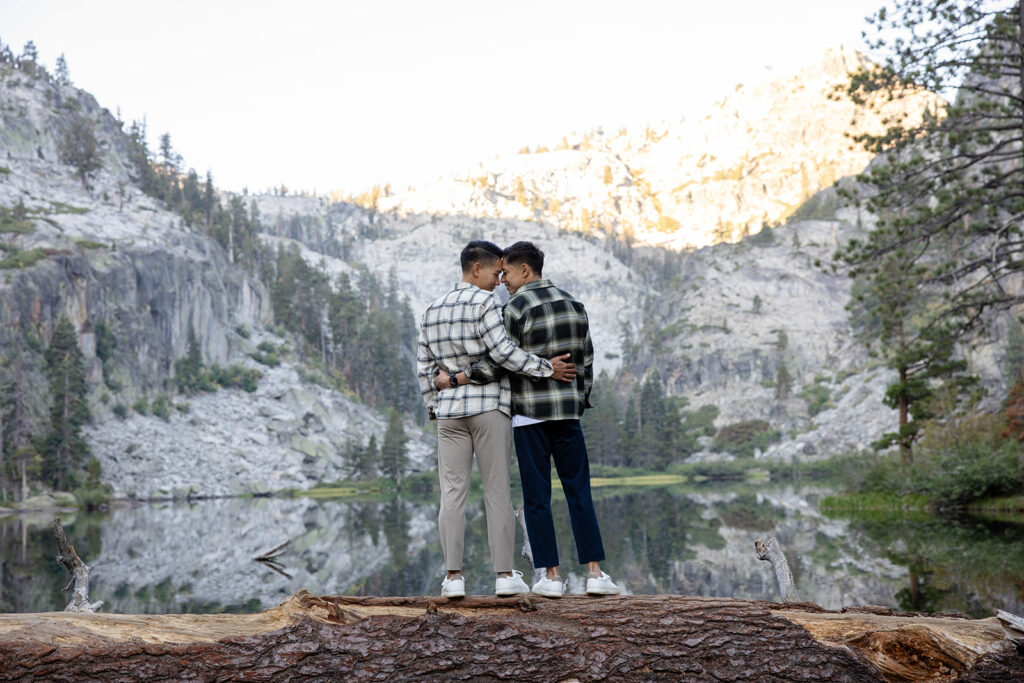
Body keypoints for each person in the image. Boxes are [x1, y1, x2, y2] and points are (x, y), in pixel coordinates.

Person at [450, 241, 620, 598]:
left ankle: (551, 577)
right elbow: (586, 361)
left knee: (537, 497)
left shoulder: (514, 308)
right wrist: (578, 399)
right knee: (579, 493)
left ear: (524, 271)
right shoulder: (575, 305)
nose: (504, 282)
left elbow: (498, 360)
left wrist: (457, 378)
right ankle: (595, 573)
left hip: (528, 418)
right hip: (567, 416)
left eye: (507, 273)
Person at [416, 240, 576, 599]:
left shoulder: (432, 308)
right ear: (476, 269)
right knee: (497, 492)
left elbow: (424, 367)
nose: (497, 280)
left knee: (452, 495)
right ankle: (505, 576)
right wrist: (546, 368)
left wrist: (434, 406)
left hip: (450, 414)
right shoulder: (486, 302)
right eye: (493, 273)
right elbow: (503, 353)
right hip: (489, 408)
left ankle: (453, 578)